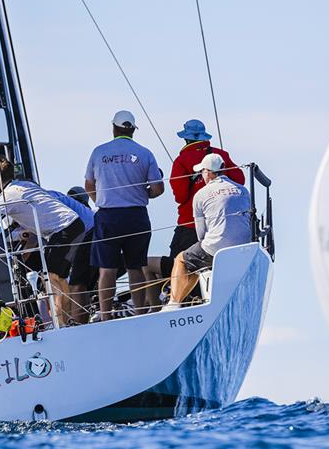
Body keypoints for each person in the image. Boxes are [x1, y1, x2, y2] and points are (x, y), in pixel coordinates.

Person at [0, 157, 86, 325]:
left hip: (63, 230)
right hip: (75, 225)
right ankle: (67, 320)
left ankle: (63, 323)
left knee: (51, 277)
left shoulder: (7, 196)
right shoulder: (28, 185)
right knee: (58, 277)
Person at [84, 110, 164, 320]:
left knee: (106, 269)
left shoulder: (99, 152)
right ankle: (139, 312)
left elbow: (89, 184)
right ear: (132, 131)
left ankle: (106, 315)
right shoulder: (145, 153)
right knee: (135, 267)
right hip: (136, 216)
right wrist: (142, 193)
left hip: (108, 216)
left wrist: (101, 200)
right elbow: (157, 188)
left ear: (113, 128)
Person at [162, 153, 251, 311]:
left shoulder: (201, 194)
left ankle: (173, 304)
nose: (201, 175)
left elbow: (201, 234)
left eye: (202, 171)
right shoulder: (242, 190)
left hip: (216, 246)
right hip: (243, 248)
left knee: (181, 260)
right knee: (195, 263)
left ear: (209, 172)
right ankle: (179, 301)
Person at [46, 186, 95, 324]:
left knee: (75, 283)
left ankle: (72, 323)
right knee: (76, 282)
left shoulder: (67, 207)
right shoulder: (86, 211)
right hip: (91, 239)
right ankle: (72, 321)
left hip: (85, 238)